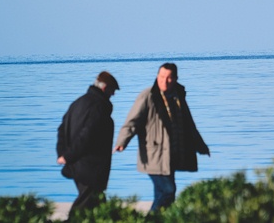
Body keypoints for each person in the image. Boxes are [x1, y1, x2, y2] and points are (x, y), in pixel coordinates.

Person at [114, 63, 210, 211]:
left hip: (171, 156)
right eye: (162, 76)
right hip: (154, 155)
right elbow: (132, 122)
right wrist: (122, 141)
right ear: (157, 76)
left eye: (169, 77)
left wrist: (201, 146)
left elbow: (189, 125)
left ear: (176, 79)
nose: (164, 81)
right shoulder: (148, 96)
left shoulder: (178, 97)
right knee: (168, 191)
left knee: (163, 194)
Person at [56, 71, 119, 214]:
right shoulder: (99, 106)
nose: (113, 95)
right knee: (83, 208)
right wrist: (68, 156)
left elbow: (62, 130)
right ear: (104, 88)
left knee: (99, 208)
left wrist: (63, 154)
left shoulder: (77, 103)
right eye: (112, 91)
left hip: (77, 166)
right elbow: (88, 135)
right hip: (90, 168)